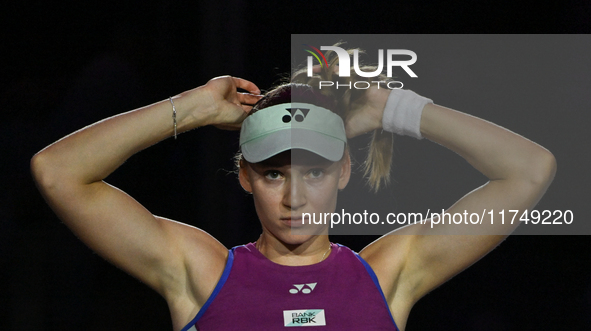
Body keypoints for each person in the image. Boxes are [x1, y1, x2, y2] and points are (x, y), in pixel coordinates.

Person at [31, 53, 556, 330]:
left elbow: (530, 169)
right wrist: (192, 109)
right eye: (274, 174)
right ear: (245, 178)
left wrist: (391, 109)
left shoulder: (389, 273)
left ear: (344, 171)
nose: (295, 198)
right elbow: (57, 170)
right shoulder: (201, 271)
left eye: (314, 173)